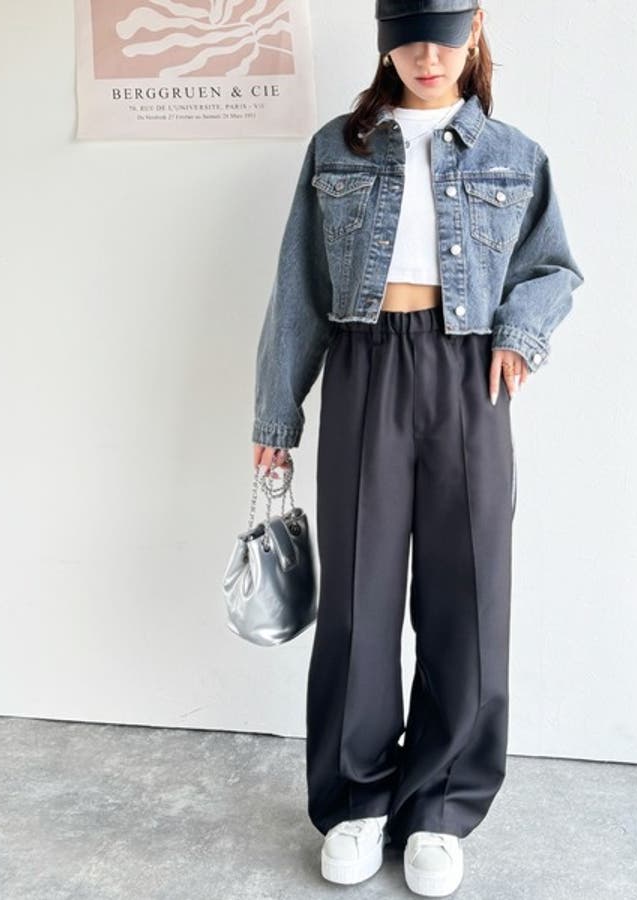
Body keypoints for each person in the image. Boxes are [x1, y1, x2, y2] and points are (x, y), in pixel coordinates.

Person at [250, 1, 584, 895]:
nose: (425, 55)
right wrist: (275, 420)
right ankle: (356, 801)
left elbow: (552, 266)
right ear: (384, 42)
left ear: (474, 31)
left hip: (470, 376)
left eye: (442, 34)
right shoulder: (339, 148)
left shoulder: (514, 153)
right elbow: (298, 287)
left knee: (467, 594)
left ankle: (438, 805)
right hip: (364, 364)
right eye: (406, 37)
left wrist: (521, 335)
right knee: (358, 599)